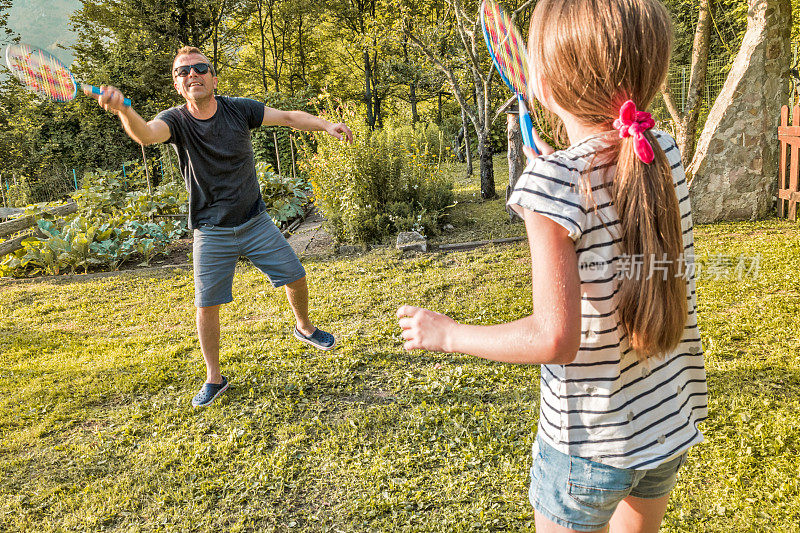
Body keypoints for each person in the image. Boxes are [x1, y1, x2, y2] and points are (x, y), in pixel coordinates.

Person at [397, 0, 707, 531]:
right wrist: (556, 172)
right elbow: (608, 194)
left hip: (587, 450)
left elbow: (554, 339)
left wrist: (448, 334)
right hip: (667, 426)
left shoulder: (550, 186)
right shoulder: (662, 150)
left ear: (547, 75)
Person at [86, 46, 353, 408]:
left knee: (295, 274)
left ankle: (304, 327)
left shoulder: (239, 109)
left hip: (254, 220)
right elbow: (147, 135)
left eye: (200, 68)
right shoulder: (176, 120)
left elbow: (289, 117)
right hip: (210, 230)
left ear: (213, 77)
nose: (192, 75)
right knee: (207, 305)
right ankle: (214, 377)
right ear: (178, 85)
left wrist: (325, 124)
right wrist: (124, 110)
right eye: (184, 72)